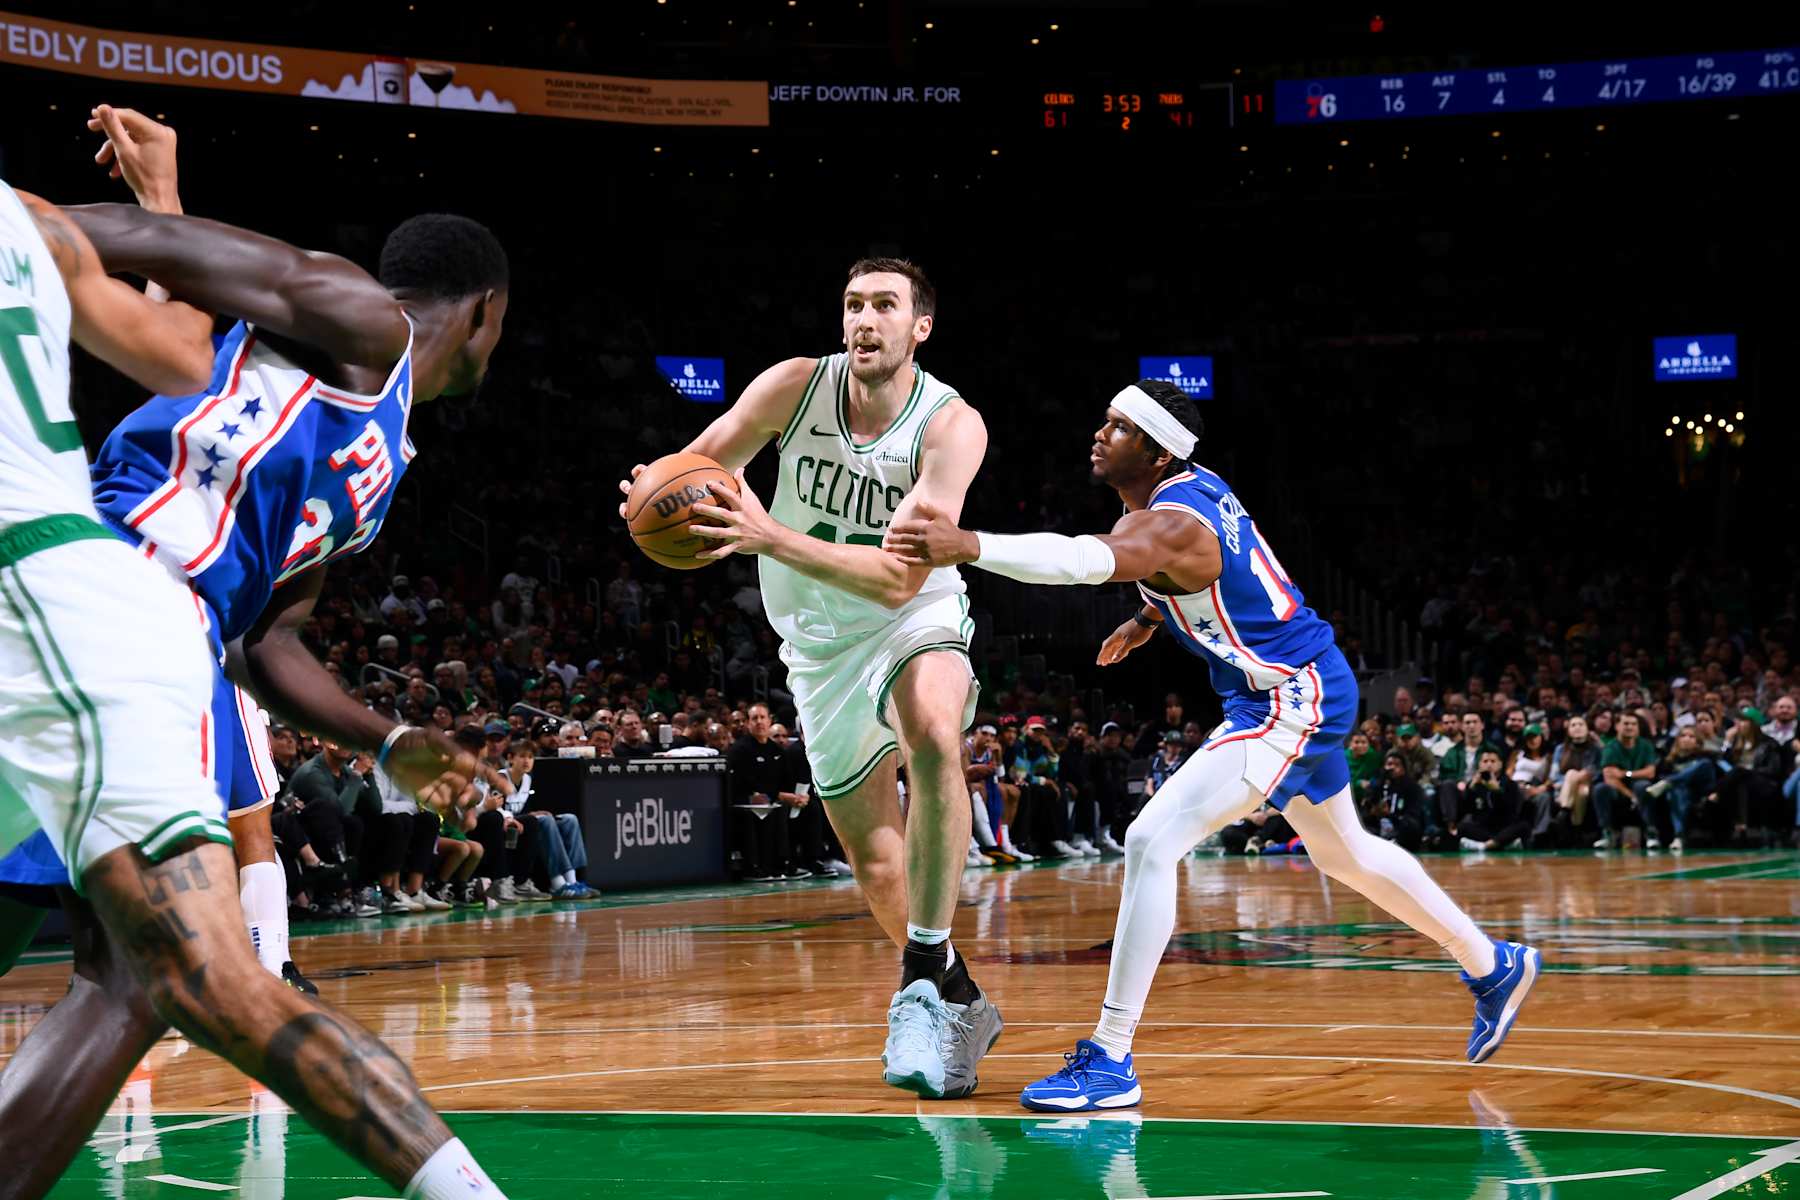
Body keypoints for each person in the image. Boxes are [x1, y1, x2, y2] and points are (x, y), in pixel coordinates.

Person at [0, 159, 505, 1197]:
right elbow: (146, 253)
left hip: (141, 642)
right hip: (107, 599)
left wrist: (386, 740)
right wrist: (36, 220)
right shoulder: (363, 320)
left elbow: (266, 644)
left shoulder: (382, 460)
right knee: (177, 974)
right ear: (486, 313)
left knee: (119, 975)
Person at [885, 377, 1538, 1111]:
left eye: (1119, 426)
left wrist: (964, 545)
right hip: (1292, 682)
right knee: (1342, 852)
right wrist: (1147, 619)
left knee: (1150, 839)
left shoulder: (1172, 526)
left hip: (1290, 696)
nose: (1100, 433)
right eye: (1105, 420)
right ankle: (1493, 964)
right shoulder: (1186, 493)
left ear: (1158, 452)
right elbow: (1191, 573)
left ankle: (1109, 1056)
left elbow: (1080, 561)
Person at [618, 256, 1002, 1099]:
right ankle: (957, 998)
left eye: (885, 306)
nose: (866, 320)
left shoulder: (950, 427)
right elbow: (703, 461)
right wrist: (654, 496)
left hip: (913, 615)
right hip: (818, 648)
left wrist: (769, 538)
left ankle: (921, 974)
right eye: (854, 304)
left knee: (934, 732)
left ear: (920, 327)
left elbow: (900, 579)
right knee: (872, 858)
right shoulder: (795, 387)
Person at [1593, 711, 1657, 849]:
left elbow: (1650, 772)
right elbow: (1609, 777)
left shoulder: (1645, 745)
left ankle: (1651, 832)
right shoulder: (1611, 747)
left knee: (1643, 785)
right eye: (1626, 723)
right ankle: (1606, 832)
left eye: (1634, 724)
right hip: (1618, 790)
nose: (1630, 727)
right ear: (1617, 726)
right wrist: (1630, 795)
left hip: (1638, 786)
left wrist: (1625, 773)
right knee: (1600, 788)